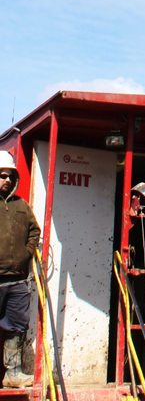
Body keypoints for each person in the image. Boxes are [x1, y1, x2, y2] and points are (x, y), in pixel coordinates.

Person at [0, 150, 40, 388]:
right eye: (2, 175)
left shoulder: (22, 206)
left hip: (16, 281)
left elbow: (35, 231)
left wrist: (27, 253)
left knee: (15, 327)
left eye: (9, 176)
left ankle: (12, 374)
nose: (6, 180)